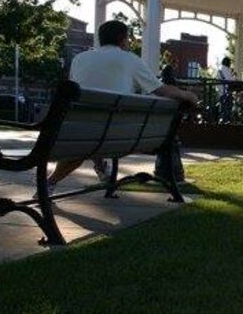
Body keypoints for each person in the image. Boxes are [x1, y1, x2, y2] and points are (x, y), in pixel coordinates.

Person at [45, 20, 198, 194]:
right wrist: (188, 95)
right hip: (118, 138)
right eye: (128, 38)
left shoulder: (79, 59)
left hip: (78, 132)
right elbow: (161, 90)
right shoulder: (131, 60)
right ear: (122, 39)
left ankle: (59, 179)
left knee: (90, 132)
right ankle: (79, 172)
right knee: (97, 132)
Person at [217, 57, 237, 123]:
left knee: (222, 108)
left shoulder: (219, 69)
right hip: (226, 92)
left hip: (221, 92)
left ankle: (221, 121)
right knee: (228, 108)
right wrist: (234, 76)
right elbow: (229, 80)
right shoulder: (226, 69)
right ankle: (227, 121)